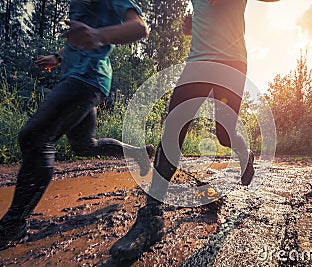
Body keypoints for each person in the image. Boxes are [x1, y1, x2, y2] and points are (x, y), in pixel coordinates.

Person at [110, 0, 258, 262]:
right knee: (172, 130)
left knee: (224, 134)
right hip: (197, 62)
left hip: (231, 65)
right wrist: (192, 27)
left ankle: (245, 155)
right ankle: (152, 216)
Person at [0, 0, 151, 250]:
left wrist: (97, 35)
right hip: (78, 76)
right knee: (84, 145)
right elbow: (79, 37)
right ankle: (136, 153)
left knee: (36, 137)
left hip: (88, 78)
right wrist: (58, 56)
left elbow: (139, 28)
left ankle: (13, 225)